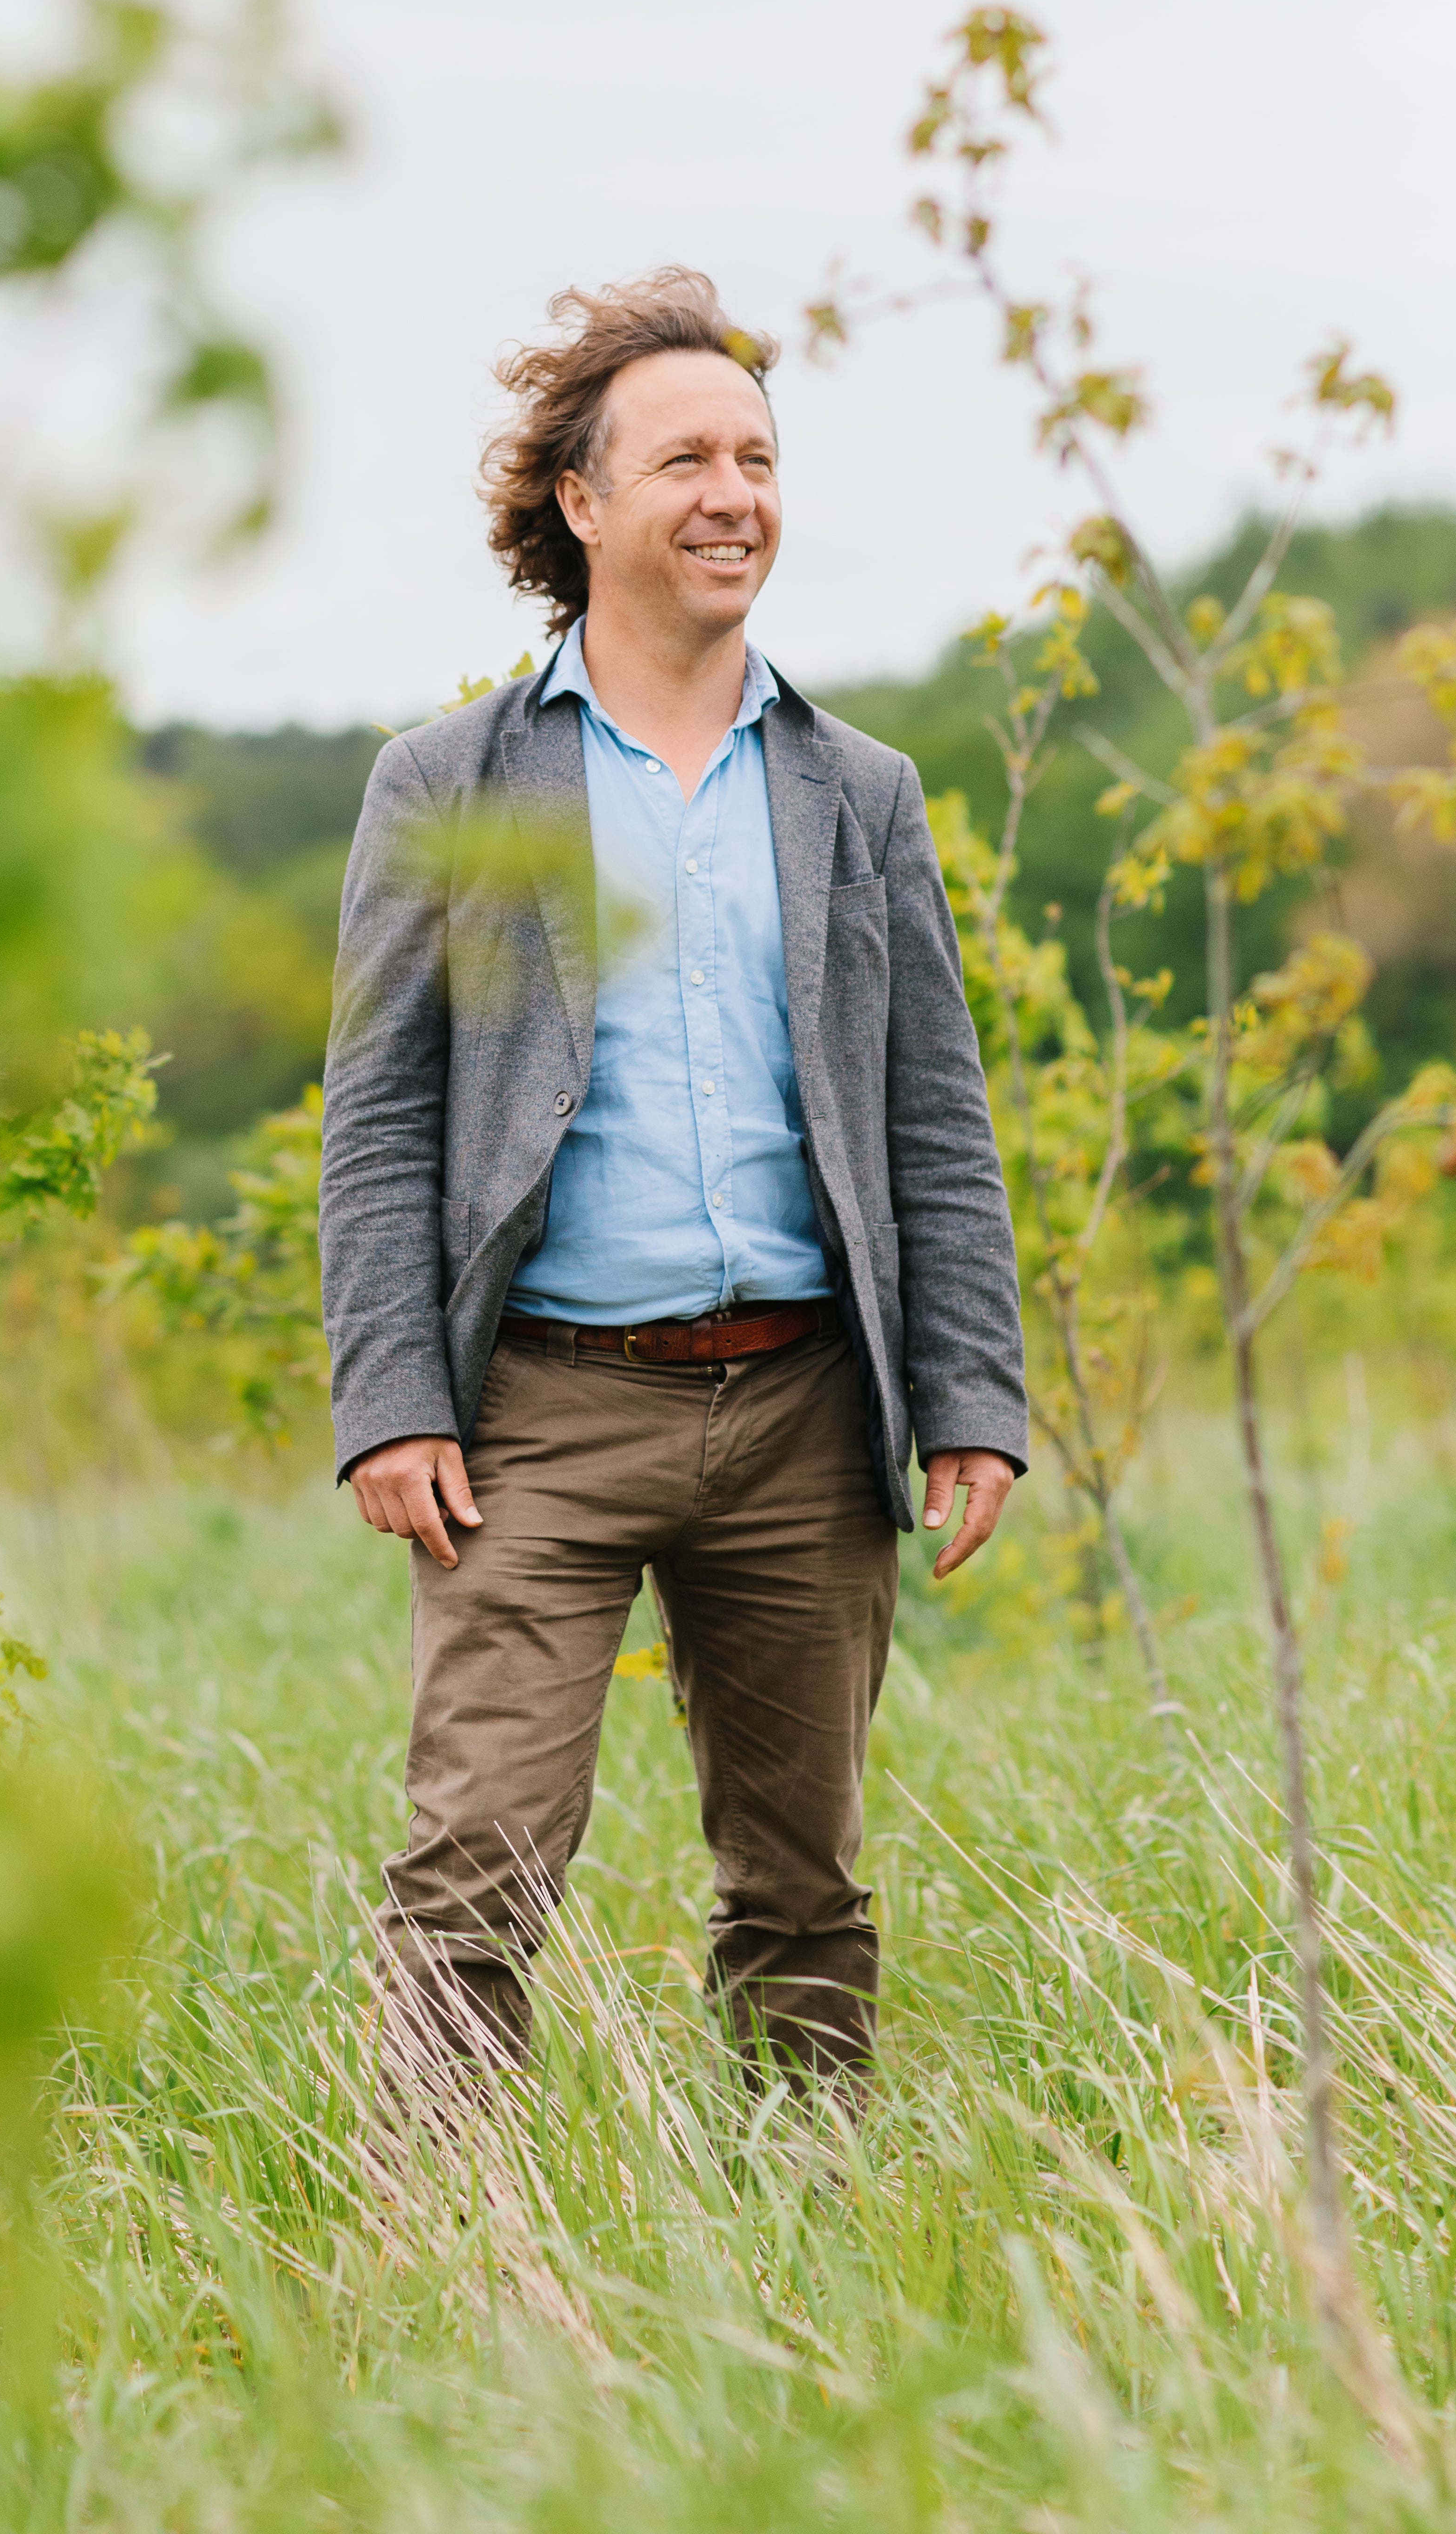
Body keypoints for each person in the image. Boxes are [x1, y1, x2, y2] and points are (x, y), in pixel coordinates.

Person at [318, 268, 1026, 2082]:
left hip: (805, 1414)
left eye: (758, 459)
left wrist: (972, 1399)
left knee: (804, 1893)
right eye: (689, 461)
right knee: (472, 1880)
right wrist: (390, 1399)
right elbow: (380, 1117)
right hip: (537, 1420)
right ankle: (437, 2239)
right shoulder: (449, 784)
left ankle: (803, 2228)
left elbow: (934, 1120)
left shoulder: (859, 789)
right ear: (580, 499)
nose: (735, 497)